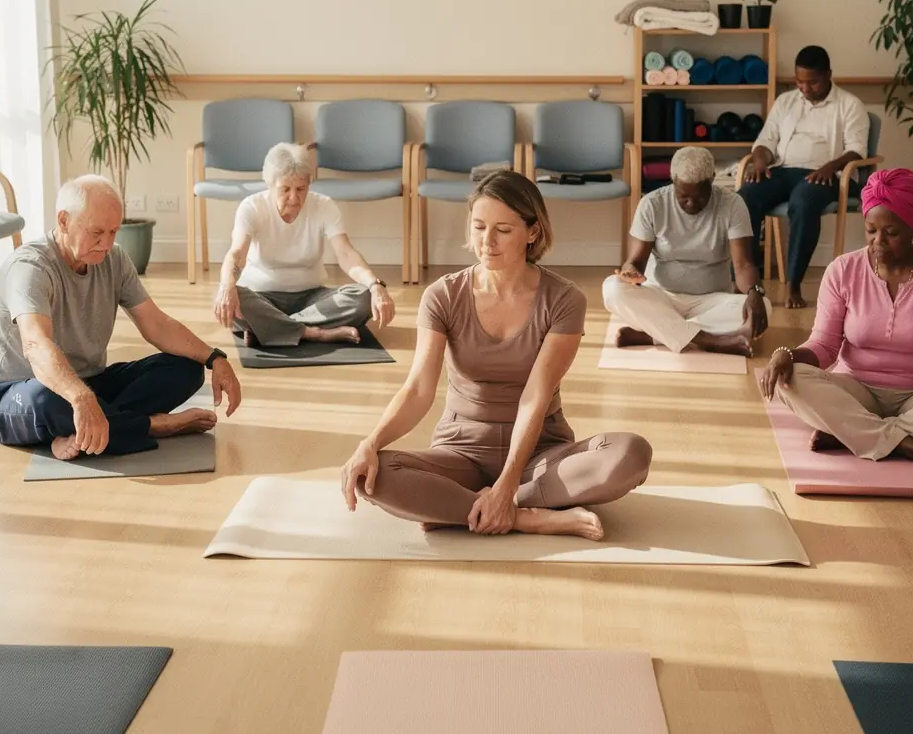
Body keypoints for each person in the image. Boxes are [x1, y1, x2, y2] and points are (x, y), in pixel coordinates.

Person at [340, 170, 652, 540]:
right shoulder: (443, 295)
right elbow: (419, 389)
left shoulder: (565, 300)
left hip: (541, 453)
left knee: (631, 453)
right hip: (461, 449)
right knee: (373, 475)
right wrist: (370, 443)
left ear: (532, 232)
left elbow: (535, 397)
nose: (487, 242)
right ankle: (529, 518)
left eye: (503, 230)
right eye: (479, 227)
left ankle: (472, 508)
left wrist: (506, 488)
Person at [0, 175, 242, 461]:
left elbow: (157, 324)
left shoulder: (114, 259)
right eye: (97, 232)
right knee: (47, 398)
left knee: (187, 367)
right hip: (11, 396)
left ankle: (93, 427)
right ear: (63, 221)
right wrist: (80, 398)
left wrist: (215, 358)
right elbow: (36, 346)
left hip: (88, 381)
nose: (106, 243)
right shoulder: (29, 268)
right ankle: (150, 425)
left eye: (113, 231)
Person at [760, 168, 913, 472]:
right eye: (871, 230)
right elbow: (824, 345)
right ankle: (908, 444)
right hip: (856, 389)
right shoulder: (842, 270)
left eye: (892, 232)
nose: (878, 241)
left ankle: (851, 432)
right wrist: (787, 355)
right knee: (791, 381)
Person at [214, 143, 395, 348]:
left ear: (310, 183)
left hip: (312, 297)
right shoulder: (251, 207)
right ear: (269, 184)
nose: (294, 198)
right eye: (285, 189)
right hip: (262, 298)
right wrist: (227, 287)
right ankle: (314, 333)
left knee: (363, 298)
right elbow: (237, 254)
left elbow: (345, 253)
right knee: (230, 298)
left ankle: (269, 329)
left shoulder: (323, 205)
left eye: (301, 189)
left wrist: (375, 285)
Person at [603, 146, 770, 357]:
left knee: (764, 307)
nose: (691, 203)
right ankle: (710, 340)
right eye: (683, 196)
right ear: (673, 181)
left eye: (700, 197)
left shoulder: (732, 204)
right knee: (612, 288)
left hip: (711, 301)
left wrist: (755, 292)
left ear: (712, 179)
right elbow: (635, 261)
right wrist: (630, 272)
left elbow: (744, 264)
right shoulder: (651, 204)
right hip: (661, 297)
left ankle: (654, 333)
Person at [738, 45, 870, 309]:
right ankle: (746, 281)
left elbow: (857, 148)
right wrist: (761, 161)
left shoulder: (850, 104)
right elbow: (766, 140)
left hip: (825, 175)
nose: (805, 89)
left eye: (813, 82)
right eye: (799, 82)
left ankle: (793, 283)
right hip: (783, 170)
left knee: (803, 201)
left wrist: (830, 167)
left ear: (828, 75)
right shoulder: (785, 102)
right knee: (744, 198)